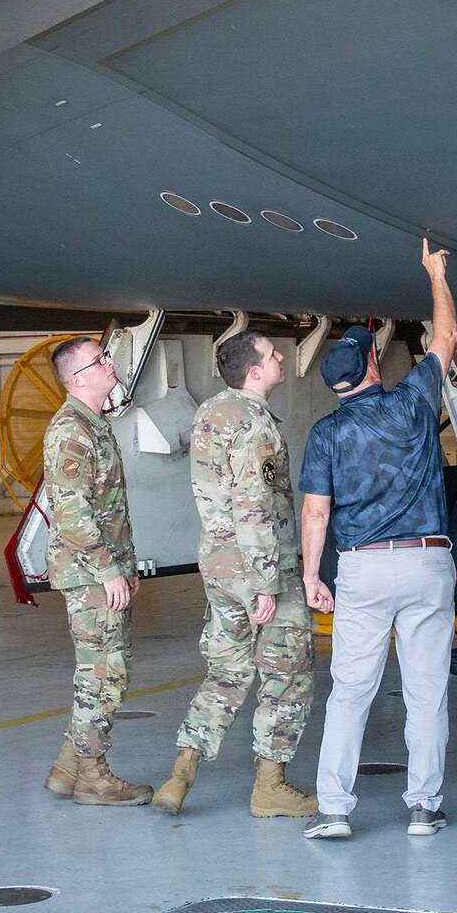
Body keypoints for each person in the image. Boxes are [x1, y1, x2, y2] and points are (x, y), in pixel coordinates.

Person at [297, 240, 457, 839]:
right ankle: (423, 807)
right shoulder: (412, 403)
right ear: (370, 369)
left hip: (361, 570)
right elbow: (446, 336)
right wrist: (435, 274)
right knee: (426, 693)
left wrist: (313, 577)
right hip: (426, 564)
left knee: (349, 694)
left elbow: (316, 514)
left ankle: (336, 811)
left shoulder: (325, 435)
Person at [152, 330, 317, 819]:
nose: (281, 357)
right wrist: (267, 583)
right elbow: (254, 505)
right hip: (260, 567)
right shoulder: (256, 425)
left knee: (226, 671)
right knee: (287, 673)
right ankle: (270, 787)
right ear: (254, 371)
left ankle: (180, 776)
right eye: (272, 355)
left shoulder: (211, 412)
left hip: (220, 566)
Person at [38, 336, 153, 807]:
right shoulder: (71, 430)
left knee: (102, 671)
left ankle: (68, 770)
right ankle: (93, 776)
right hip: (90, 576)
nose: (110, 363)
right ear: (78, 377)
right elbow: (71, 513)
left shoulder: (93, 423)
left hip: (100, 570)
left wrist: (124, 566)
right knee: (104, 676)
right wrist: (108, 571)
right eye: (101, 359)